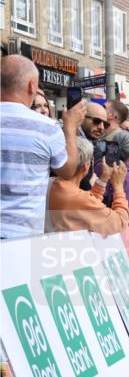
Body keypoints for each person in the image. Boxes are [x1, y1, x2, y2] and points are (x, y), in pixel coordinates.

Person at [1, 55, 84, 239]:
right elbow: (68, 170)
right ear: (31, 86)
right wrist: (70, 128)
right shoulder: (45, 127)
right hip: (21, 236)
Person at [47, 139, 129, 236]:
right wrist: (119, 186)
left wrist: (103, 179)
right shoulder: (77, 198)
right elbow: (120, 223)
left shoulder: (51, 183)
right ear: (86, 166)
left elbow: (87, 206)